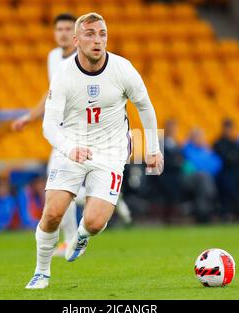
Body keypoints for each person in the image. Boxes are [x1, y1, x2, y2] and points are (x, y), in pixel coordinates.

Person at [25, 12, 163, 289]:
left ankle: (82, 236)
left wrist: (153, 148)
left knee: (95, 222)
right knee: (52, 213)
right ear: (76, 40)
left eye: (102, 34)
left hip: (111, 152)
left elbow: (145, 107)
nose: (97, 40)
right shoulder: (64, 76)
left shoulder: (123, 69)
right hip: (72, 147)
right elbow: (49, 125)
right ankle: (41, 272)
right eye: (89, 34)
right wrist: (69, 148)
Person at [12, 13, 79, 256]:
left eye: (67, 29)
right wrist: (29, 117)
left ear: (76, 33)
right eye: (59, 28)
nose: (62, 33)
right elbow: (51, 93)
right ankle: (71, 240)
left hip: (81, 132)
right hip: (61, 134)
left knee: (66, 185)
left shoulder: (84, 59)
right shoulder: (53, 57)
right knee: (59, 185)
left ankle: (75, 235)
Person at [181, 128, 221, 223]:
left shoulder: (207, 150)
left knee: (204, 182)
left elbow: (217, 164)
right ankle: (209, 207)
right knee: (203, 178)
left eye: (201, 137)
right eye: (197, 136)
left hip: (206, 179)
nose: (200, 139)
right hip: (189, 178)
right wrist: (205, 168)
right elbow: (190, 167)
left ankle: (203, 213)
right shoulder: (186, 149)